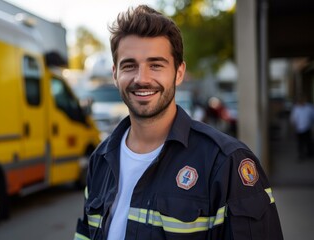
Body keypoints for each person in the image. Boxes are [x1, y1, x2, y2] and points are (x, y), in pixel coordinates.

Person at [74, 5, 283, 240]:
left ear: (179, 72)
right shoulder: (100, 159)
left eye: (156, 65)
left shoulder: (226, 163)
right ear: (115, 74)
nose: (141, 79)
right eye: (129, 65)